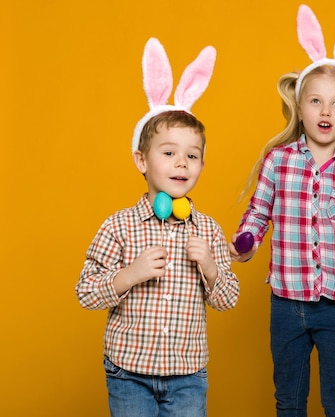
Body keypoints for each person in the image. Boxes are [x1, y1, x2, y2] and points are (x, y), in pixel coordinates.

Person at [229, 5, 335, 417]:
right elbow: (259, 213)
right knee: (289, 401)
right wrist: (246, 239)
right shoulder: (278, 161)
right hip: (287, 302)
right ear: (301, 108)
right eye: (316, 101)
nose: (326, 111)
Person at [75, 38, 239, 417]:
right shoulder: (119, 226)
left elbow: (227, 300)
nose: (181, 163)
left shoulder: (208, 231)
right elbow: (85, 292)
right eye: (168, 152)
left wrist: (211, 268)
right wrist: (129, 275)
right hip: (128, 372)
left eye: (192, 155)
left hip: (187, 376)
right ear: (141, 160)